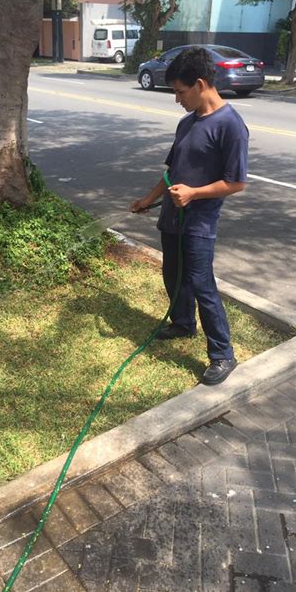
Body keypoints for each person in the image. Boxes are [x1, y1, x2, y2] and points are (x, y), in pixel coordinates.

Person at [130, 47, 248, 385]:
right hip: (172, 215)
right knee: (173, 272)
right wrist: (147, 198)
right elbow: (171, 171)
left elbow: (236, 182)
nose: (177, 99)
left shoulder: (231, 126)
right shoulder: (187, 122)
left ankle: (223, 354)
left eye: (180, 92)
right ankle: (182, 323)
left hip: (199, 221)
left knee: (200, 282)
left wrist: (194, 193)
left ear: (200, 84)